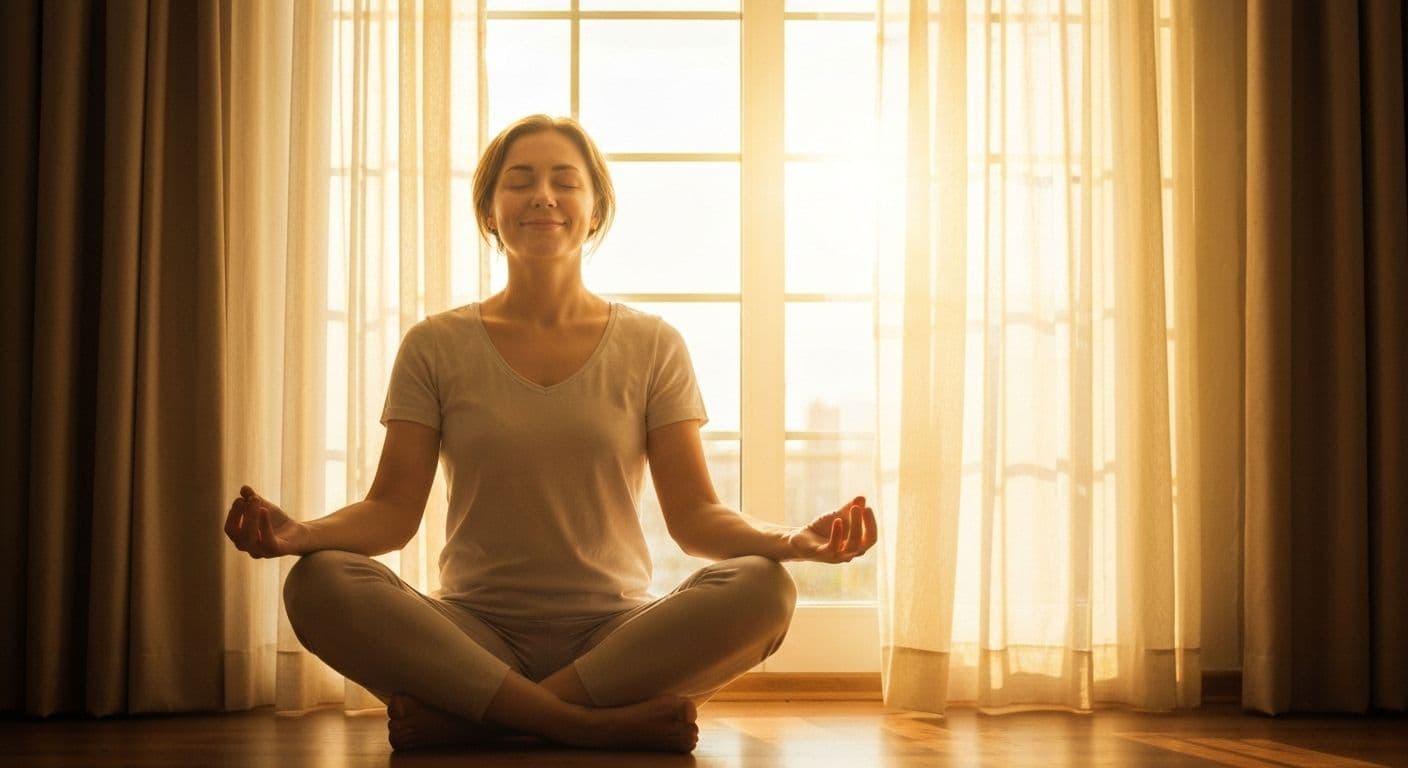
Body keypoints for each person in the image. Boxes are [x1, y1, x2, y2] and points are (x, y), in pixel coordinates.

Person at [222, 114, 878, 754]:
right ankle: (587, 725)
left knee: (765, 589)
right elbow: (390, 513)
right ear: (489, 211)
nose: (542, 195)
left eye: (565, 181)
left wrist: (794, 542)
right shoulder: (434, 344)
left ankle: (484, 719)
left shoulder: (653, 344)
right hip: (472, 634)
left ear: (595, 210)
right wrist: (299, 534)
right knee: (317, 583)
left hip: (614, 638)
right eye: (519, 181)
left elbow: (696, 518)